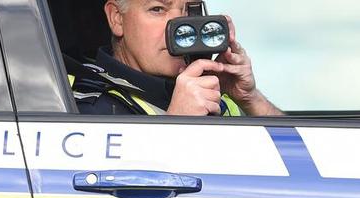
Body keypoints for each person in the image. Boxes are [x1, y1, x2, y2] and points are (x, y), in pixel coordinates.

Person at [70, 0, 282, 116]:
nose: (181, 28)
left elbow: (301, 165)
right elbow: (106, 185)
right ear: (117, 18)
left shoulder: (217, 91)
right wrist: (177, 124)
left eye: (189, 9)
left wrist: (251, 99)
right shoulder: (82, 107)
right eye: (158, 9)